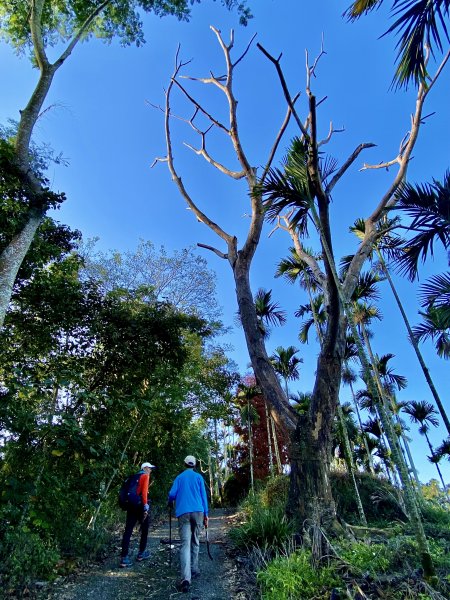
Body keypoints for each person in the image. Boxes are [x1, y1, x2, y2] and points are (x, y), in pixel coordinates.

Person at [168, 455, 209, 593]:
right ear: (195, 465)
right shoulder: (198, 478)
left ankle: (186, 578)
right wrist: (206, 514)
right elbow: (204, 497)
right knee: (196, 541)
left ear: (184, 464)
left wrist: (170, 500)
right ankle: (195, 569)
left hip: (183, 512)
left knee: (185, 544)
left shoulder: (179, 478)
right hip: (198, 511)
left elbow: (172, 494)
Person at [119, 461, 155, 568]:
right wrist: (145, 506)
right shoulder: (144, 476)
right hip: (139, 506)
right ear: (144, 468)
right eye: (149, 468)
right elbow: (144, 493)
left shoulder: (134, 476)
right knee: (145, 529)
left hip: (131, 505)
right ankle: (141, 553)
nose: (150, 470)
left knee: (128, 530)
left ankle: (124, 557)